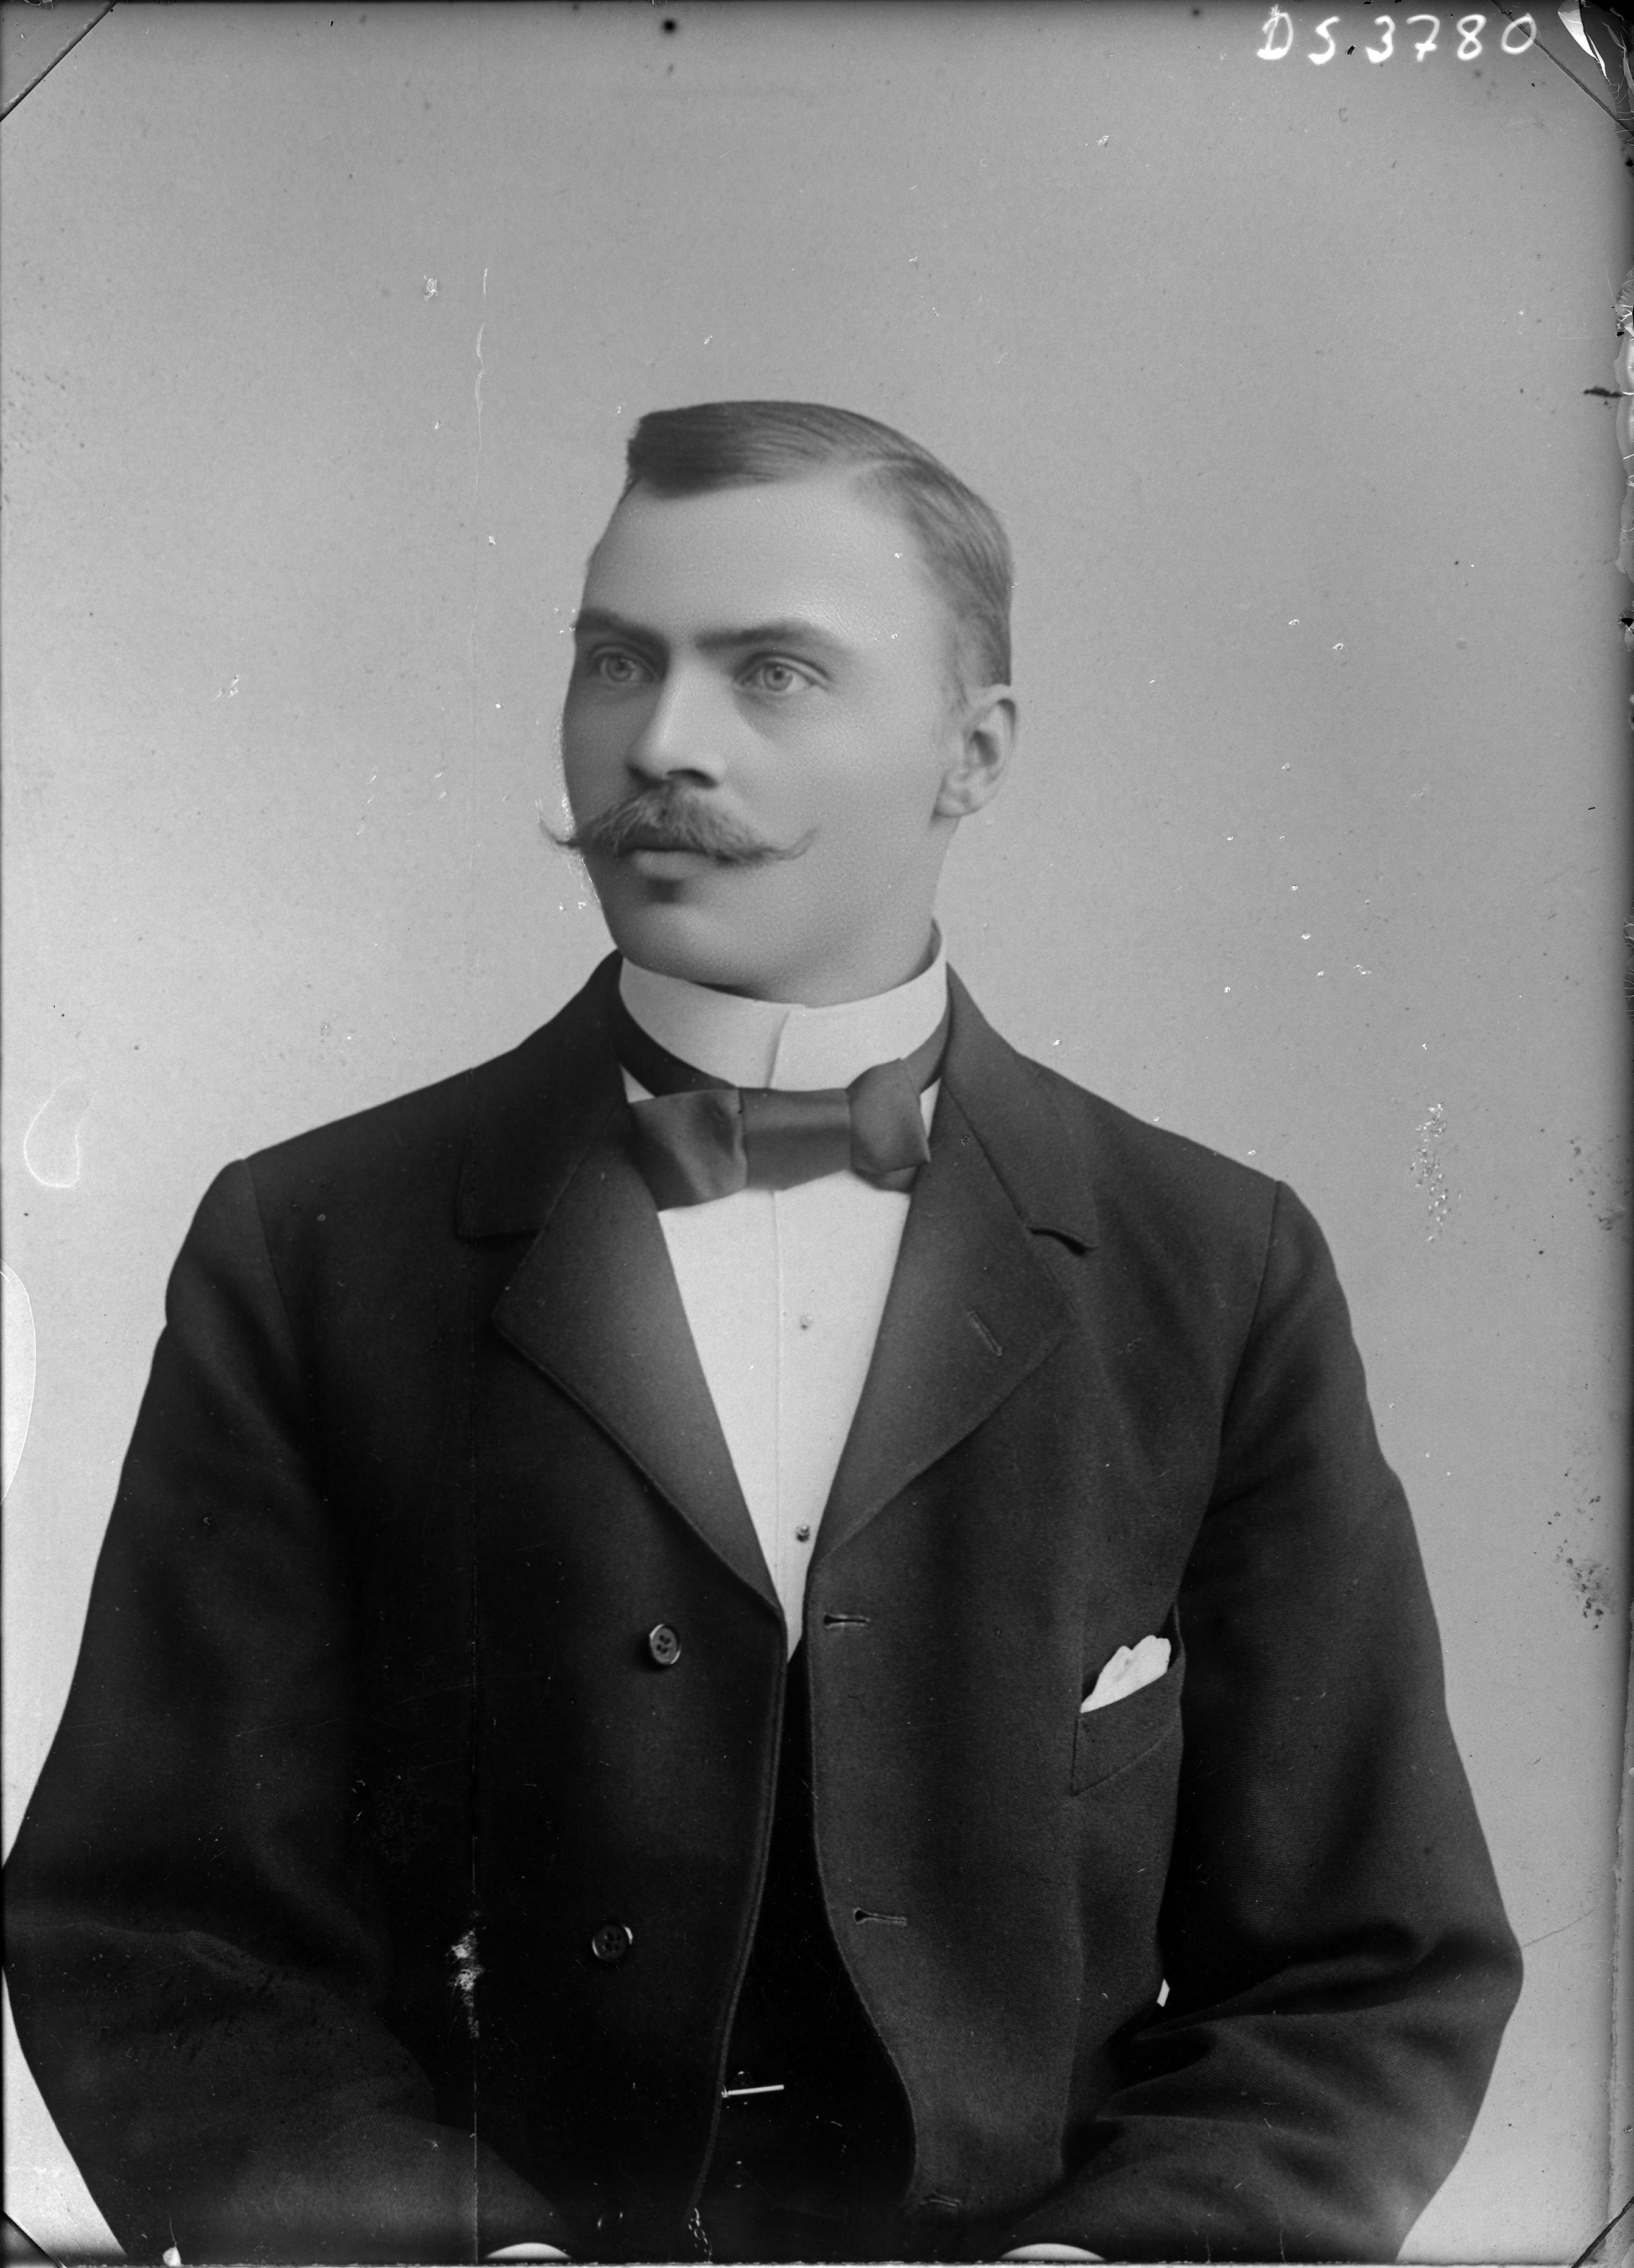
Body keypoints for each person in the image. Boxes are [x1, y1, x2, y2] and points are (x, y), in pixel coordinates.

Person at [5, 401, 1521, 2266]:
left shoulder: (1216, 1268)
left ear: (973, 754)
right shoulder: (311, 1249)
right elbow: (160, 1932)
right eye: (615, 660)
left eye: (775, 671)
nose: (660, 741)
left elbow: (1371, 1964)